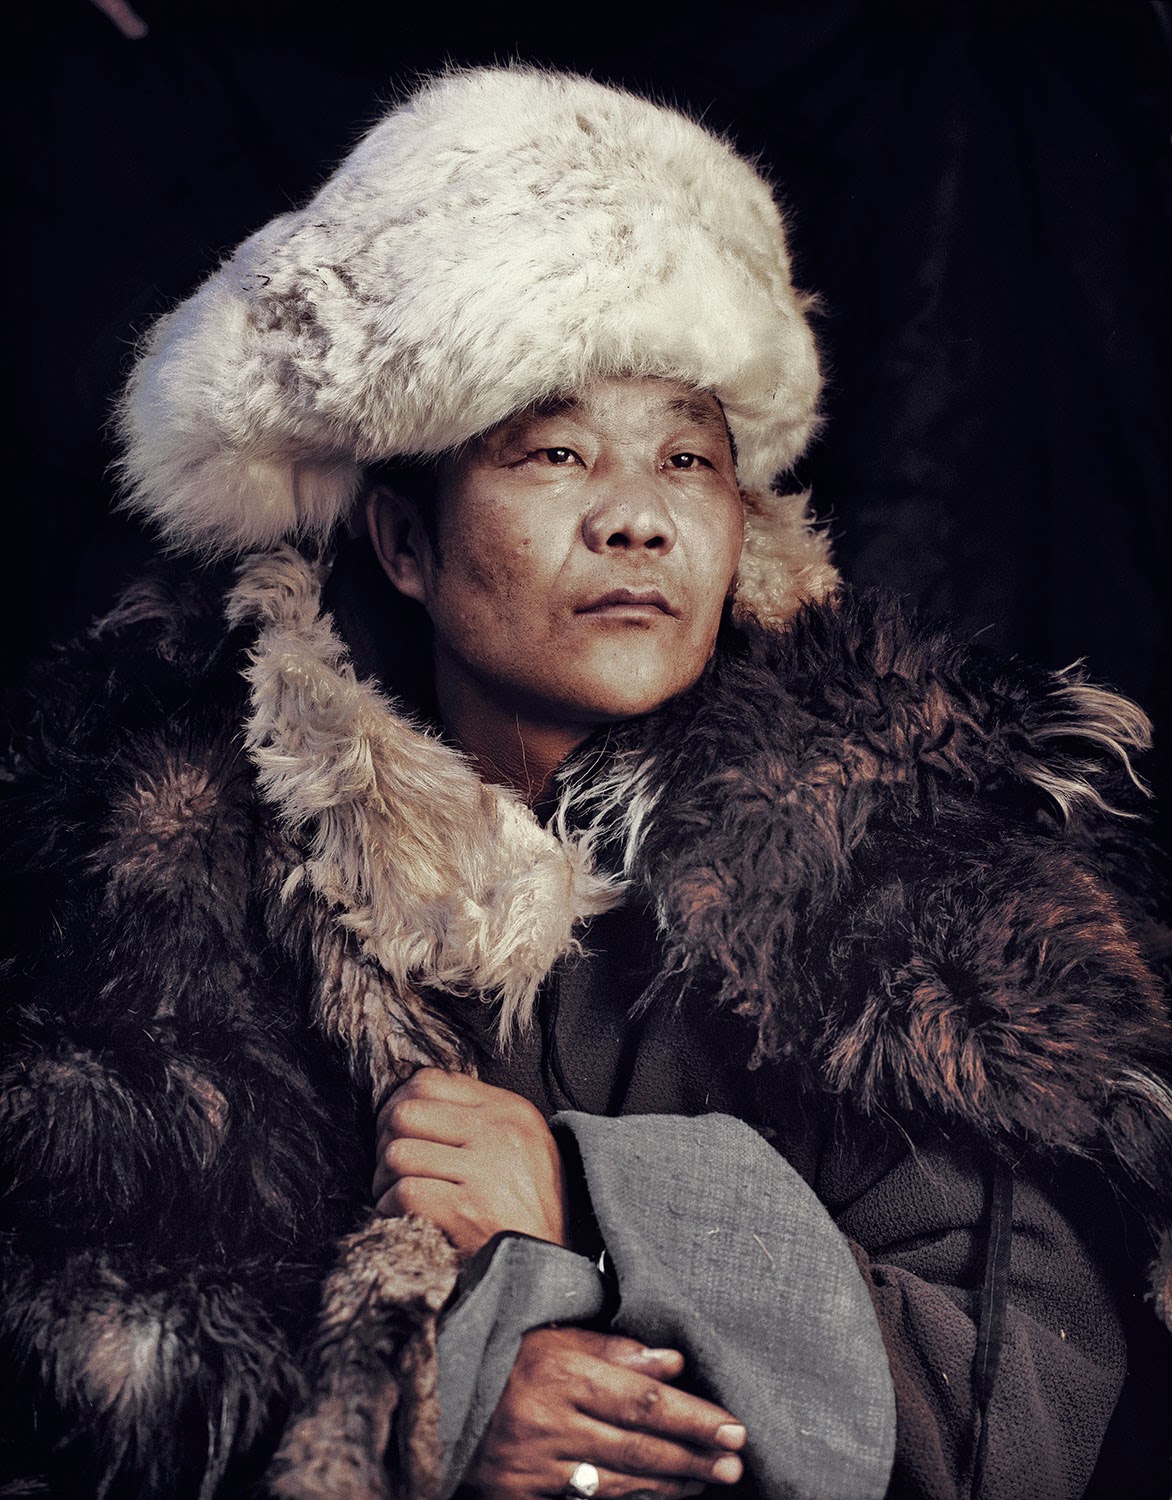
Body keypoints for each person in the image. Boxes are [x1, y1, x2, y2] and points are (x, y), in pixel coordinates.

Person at [1, 63, 1169, 1500]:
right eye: (554, 450)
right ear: (406, 543)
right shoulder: (181, 889)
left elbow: (1027, 1410)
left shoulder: (894, 877)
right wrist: (424, 1417)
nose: (637, 518)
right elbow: (81, 1377)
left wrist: (589, 1201)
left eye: (686, 457)